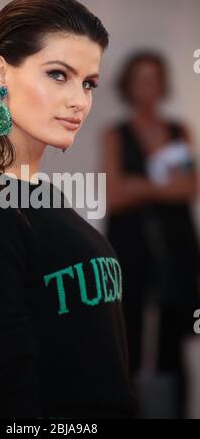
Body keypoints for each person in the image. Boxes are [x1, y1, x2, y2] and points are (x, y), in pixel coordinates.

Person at [0, 0, 138, 419]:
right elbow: (10, 397)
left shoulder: (45, 196)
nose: (80, 100)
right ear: (1, 72)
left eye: (88, 83)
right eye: (59, 75)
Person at [102, 51, 200, 417]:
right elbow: (114, 194)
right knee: (128, 340)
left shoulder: (180, 131)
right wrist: (163, 185)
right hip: (131, 252)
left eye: (155, 77)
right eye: (141, 78)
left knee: (174, 345)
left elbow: (190, 188)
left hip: (177, 252)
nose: (149, 86)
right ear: (128, 85)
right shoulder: (115, 134)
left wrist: (139, 186)